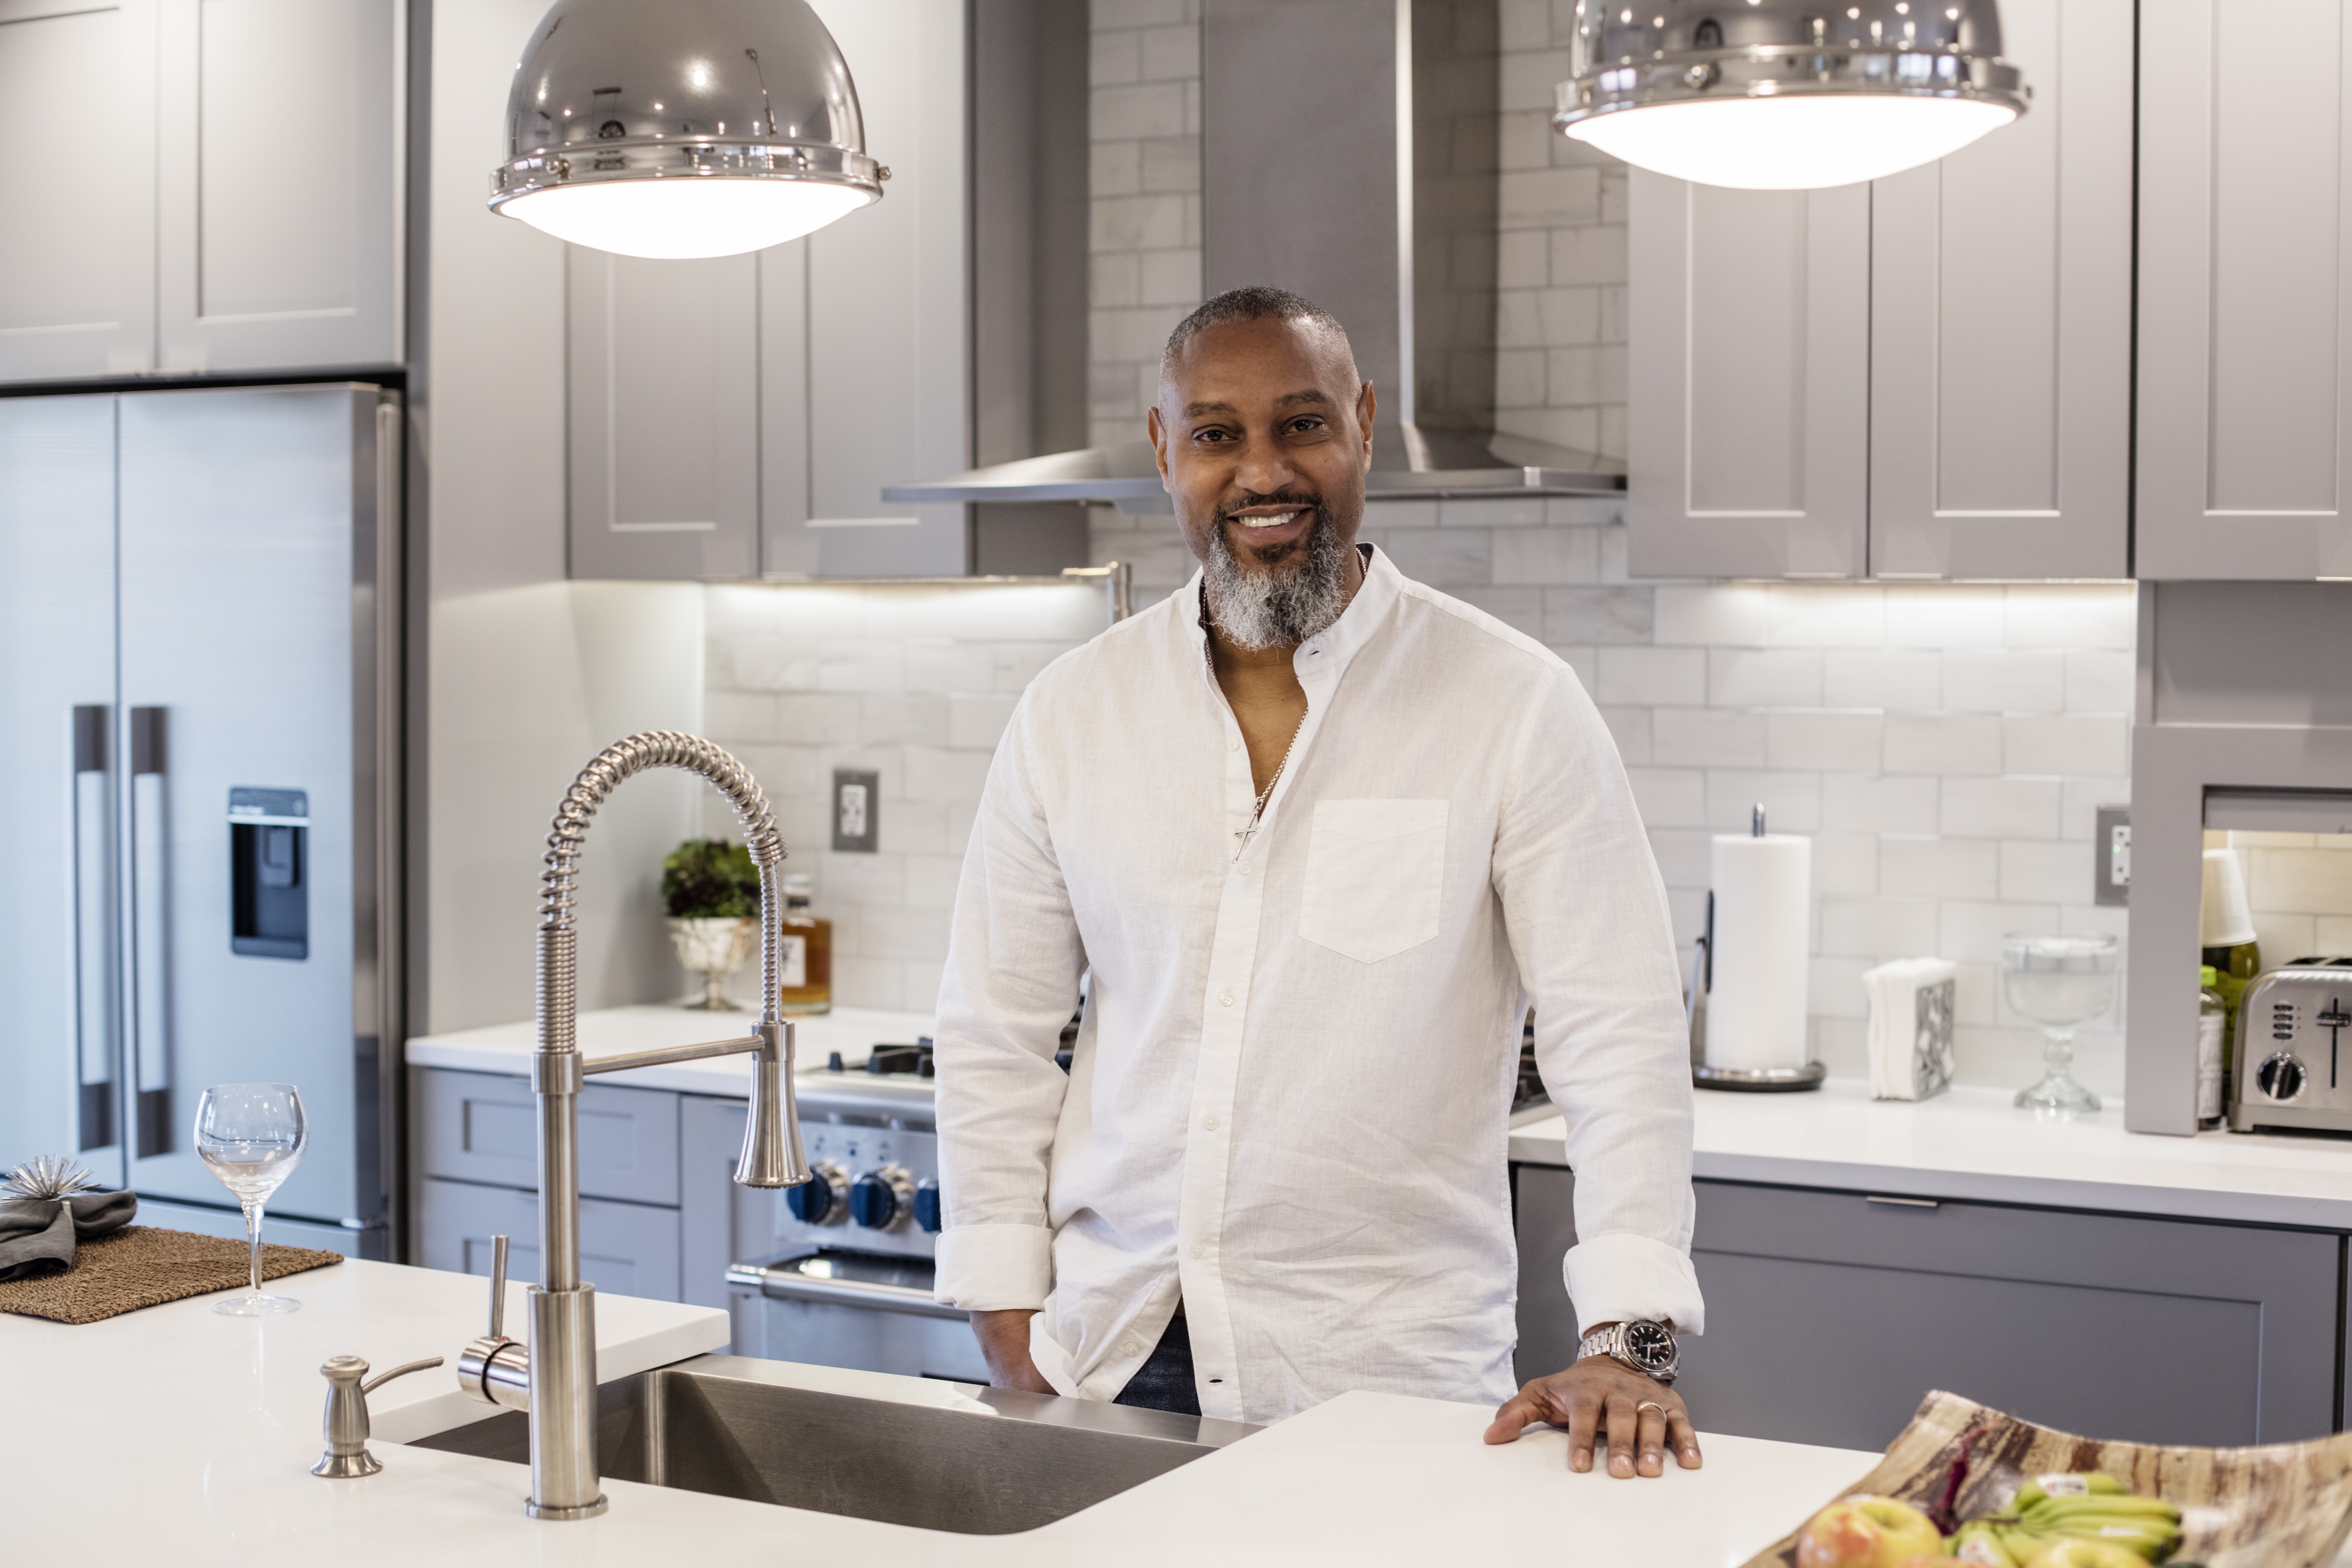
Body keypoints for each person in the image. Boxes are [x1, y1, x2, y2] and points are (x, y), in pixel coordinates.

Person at [931, 286, 1704, 1479]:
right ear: (1163, 448)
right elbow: (994, 1028)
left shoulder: (1513, 703)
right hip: (1112, 1355)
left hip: (1391, 1373)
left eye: (1300, 425)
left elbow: (1622, 1037)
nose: (1261, 472)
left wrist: (1630, 1334)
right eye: (1217, 435)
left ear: (1363, 427)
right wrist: (998, 1299)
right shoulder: (1070, 715)